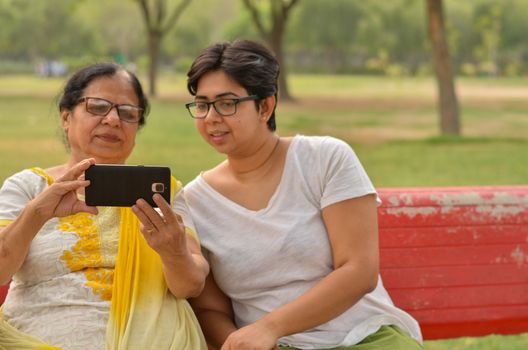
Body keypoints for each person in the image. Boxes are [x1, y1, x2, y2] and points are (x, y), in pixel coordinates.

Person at [183, 40, 424, 350]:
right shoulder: (195, 201)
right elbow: (210, 309)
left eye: (227, 103)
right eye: (202, 105)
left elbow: (359, 270)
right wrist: (237, 343)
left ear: (265, 106)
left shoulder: (325, 159)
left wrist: (270, 327)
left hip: (365, 336)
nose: (211, 117)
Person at [0, 62, 208, 350]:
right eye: (97, 107)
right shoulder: (29, 187)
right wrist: (37, 213)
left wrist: (173, 252)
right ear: (66, 117)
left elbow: (191, 285)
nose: (112, 120)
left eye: (127, 113)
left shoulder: (162, 193)